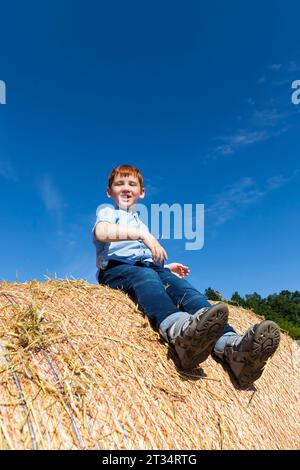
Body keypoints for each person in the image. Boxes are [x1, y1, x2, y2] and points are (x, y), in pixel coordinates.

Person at [93, 164, 280, 388]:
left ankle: (234, 348)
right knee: (147, 279)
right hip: (117, 269)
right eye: (119, 184)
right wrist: (142, 235)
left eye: (132, 184)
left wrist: (167, 268)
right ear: (109, 192)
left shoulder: (140, 222)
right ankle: (180, 334)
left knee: (187, 291)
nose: (125, 188)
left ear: (141, 192)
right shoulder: (108, 212)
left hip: (148, 268)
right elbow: (101, 233)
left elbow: (144, 259)